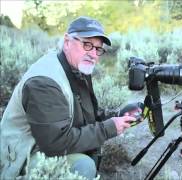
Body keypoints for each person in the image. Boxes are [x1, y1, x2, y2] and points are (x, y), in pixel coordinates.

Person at [0, 16, 142, 179]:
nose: (93, 54)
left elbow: (84, 115)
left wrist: (117, 117)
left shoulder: (75, 67)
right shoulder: (44, 82)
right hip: (22, 158)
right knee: (83, 166)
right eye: (87, 45)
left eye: (98, 49)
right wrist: (108, 128)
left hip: (43, 144)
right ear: (67, 41)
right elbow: (56, 143)